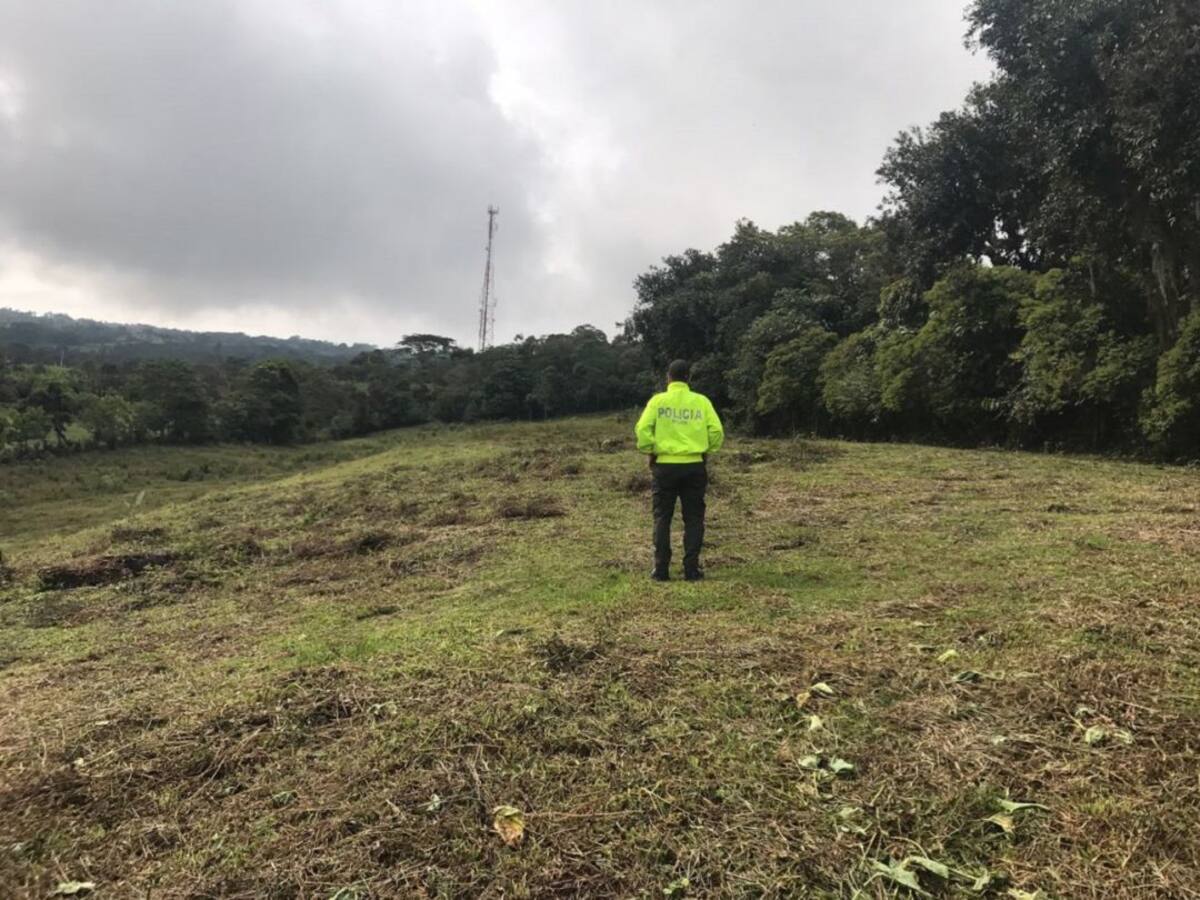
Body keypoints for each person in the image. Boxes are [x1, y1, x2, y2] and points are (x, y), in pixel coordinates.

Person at [634, 359, 725, 581]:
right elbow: (716, 432)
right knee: (694, 518)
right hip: (694, 466)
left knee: (662, 518)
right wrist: (705, 450)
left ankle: (661, 569)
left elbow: (643, 429)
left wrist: (651, 449)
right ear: (689, 378)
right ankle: (691, 569)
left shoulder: (657, 402)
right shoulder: (701, 402)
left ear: (668, 377)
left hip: (664, 466)